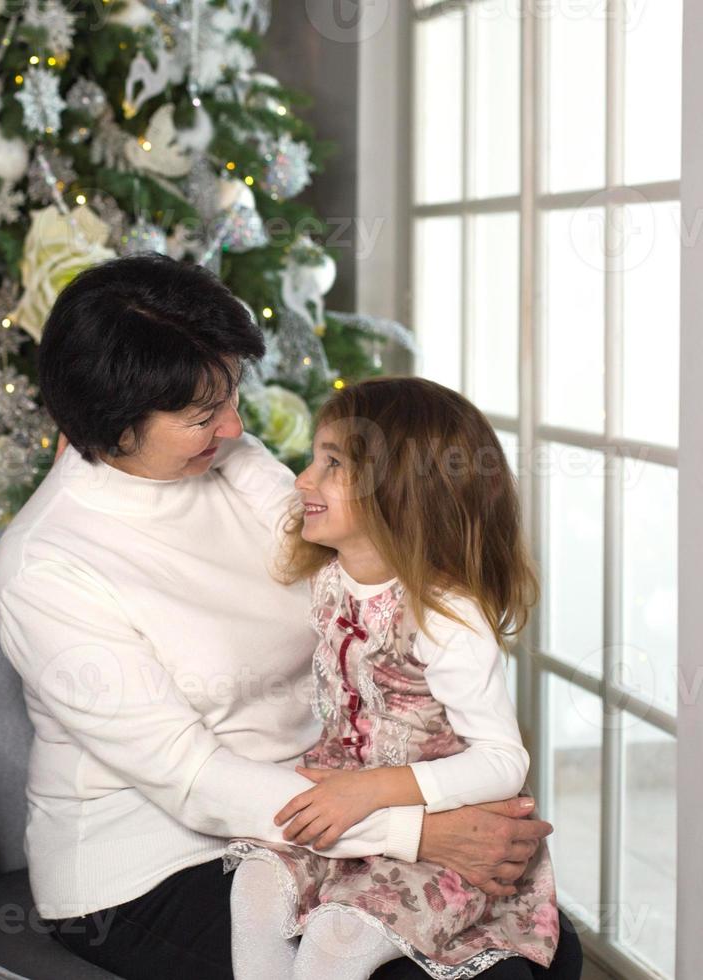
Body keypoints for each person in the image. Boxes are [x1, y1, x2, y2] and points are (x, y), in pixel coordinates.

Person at [0, 253, 581, 980]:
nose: (234, 426)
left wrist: (454, 791)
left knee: (542, 947)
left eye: (232, 395)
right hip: (153, 861)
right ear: (116, 425)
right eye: (203, 415)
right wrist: (422, 832)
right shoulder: (47, 566)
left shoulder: (229, 464)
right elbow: (196, 779)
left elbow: (372, 561)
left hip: (324, 800)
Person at [222, 376, 557, 979]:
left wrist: (373, 790)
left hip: (437, 824)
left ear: (401, 492)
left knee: (336, 941)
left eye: (332, 464)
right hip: (345, 801)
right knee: (254, 889)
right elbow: (248, 471)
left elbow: (504, 763)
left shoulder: (446, 616)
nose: (303, 480)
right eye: (313, 459)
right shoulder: (330, 576)